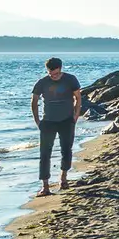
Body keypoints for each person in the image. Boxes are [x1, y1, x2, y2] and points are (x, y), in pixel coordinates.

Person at [30, 57, 82, 195]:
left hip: (67, 120)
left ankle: (63, 178)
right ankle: (45, 186)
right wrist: (37, 121)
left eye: (57, 73)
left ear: (61, 69)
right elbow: (34, 102)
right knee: (45, 154)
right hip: (48, 122)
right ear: (47, 71)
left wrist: (75, 116)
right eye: (51, 74)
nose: (54, 76)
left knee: (66, 150)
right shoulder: (42, 82)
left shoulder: (71, 79)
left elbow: (78, 97)